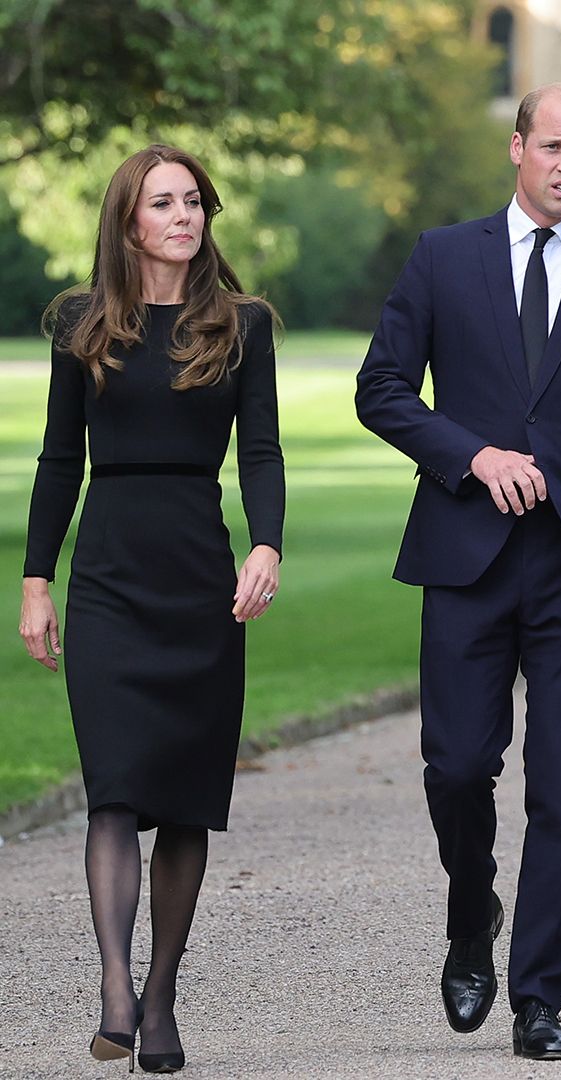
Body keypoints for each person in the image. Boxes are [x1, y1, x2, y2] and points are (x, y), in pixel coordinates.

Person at [355, 83, 561, 1060]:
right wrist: (471, 455)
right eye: (552, 147)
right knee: (457, 767)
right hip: (466, 553)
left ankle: (539, 998)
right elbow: (381, 390)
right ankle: (471, 911)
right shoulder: (443, 258)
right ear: (517, 148)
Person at [19, 144, 285, 1073]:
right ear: (129, 220)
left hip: (197, 581)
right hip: (108, 578)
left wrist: (266, 542)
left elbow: (263, 451)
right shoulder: (82, 325)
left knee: (183, 803)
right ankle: (116, 989)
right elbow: (59, 461)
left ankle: (162, 998)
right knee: (116, 789)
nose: (184, 216)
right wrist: (36, 581)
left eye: (194, 202)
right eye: (164, 202)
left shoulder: (243, 325)